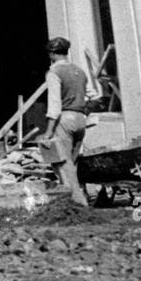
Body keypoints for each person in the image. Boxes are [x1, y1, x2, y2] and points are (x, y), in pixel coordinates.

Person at [41, 37, 90, 206]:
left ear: (52, 54)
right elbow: (93, 96)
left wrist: (48, 133)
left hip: (65, 119)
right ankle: (75, 198)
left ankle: (78, 202)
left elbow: (54, 105)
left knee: (63, 163)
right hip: (81, 119)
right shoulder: (80, 71)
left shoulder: (54, 72)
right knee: (73, 162)